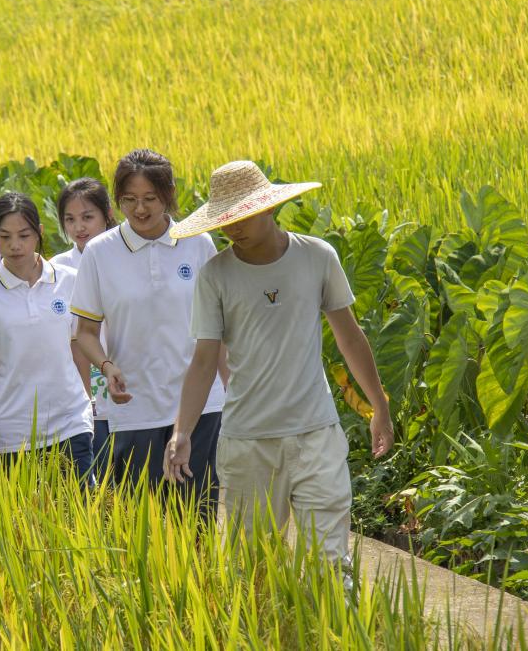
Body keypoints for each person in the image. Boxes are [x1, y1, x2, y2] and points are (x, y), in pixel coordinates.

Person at [163, 160, 394, 571]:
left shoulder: (317, 256)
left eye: (243, 215)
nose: (234, 227)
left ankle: (336, 615)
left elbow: (349, 337)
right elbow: (203, 362)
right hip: (247, 441)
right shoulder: (215, 276)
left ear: (269, 206)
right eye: (226, 219)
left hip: (315, 432)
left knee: (329, 563)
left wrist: (379, 405)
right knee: (251, 567)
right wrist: (182, 431)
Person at [71, 149, 226, 520]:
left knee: (196, 518)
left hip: (201, 405)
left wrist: (233, 388)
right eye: (129, 200)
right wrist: (106, 367)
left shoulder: (198, 243)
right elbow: (86, 332)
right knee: (142, 523)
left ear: (169, 194)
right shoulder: (100, 252)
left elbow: (219, 330)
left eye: (150, 199)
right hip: (134, 406)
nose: (139, 209)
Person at [0, 192, 93, 481]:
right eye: (5, 237)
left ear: (39, 232)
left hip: (71, 421)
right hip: (13, 429)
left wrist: (88, 400)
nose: (15, 245)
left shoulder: (68, 280)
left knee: (83, 505)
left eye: (24, 235)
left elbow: (78, 346)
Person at [51, 178, 117, 462]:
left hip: (125, 373)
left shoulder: (124, 257)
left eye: (87, 217)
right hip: (78, 389)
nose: (79, 227)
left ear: (107, 215)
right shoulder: (56, 268)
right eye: (70, 219)